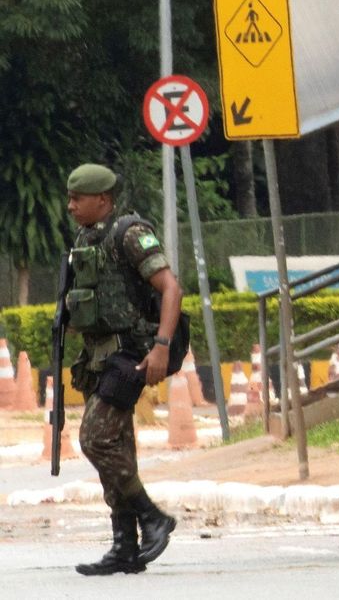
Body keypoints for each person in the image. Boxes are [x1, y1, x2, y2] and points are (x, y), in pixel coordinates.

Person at [63, 163, 181, 575]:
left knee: (95, 439)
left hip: (131, 353)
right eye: (70, 198)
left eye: (78, 198)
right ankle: (125, 547)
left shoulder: (129, 233)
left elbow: (171, 287)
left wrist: (162, 347)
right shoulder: (86, 237)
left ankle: (153, 517)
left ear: (103, 200)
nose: (71, 206)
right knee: (117, 446)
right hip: (98, 357)